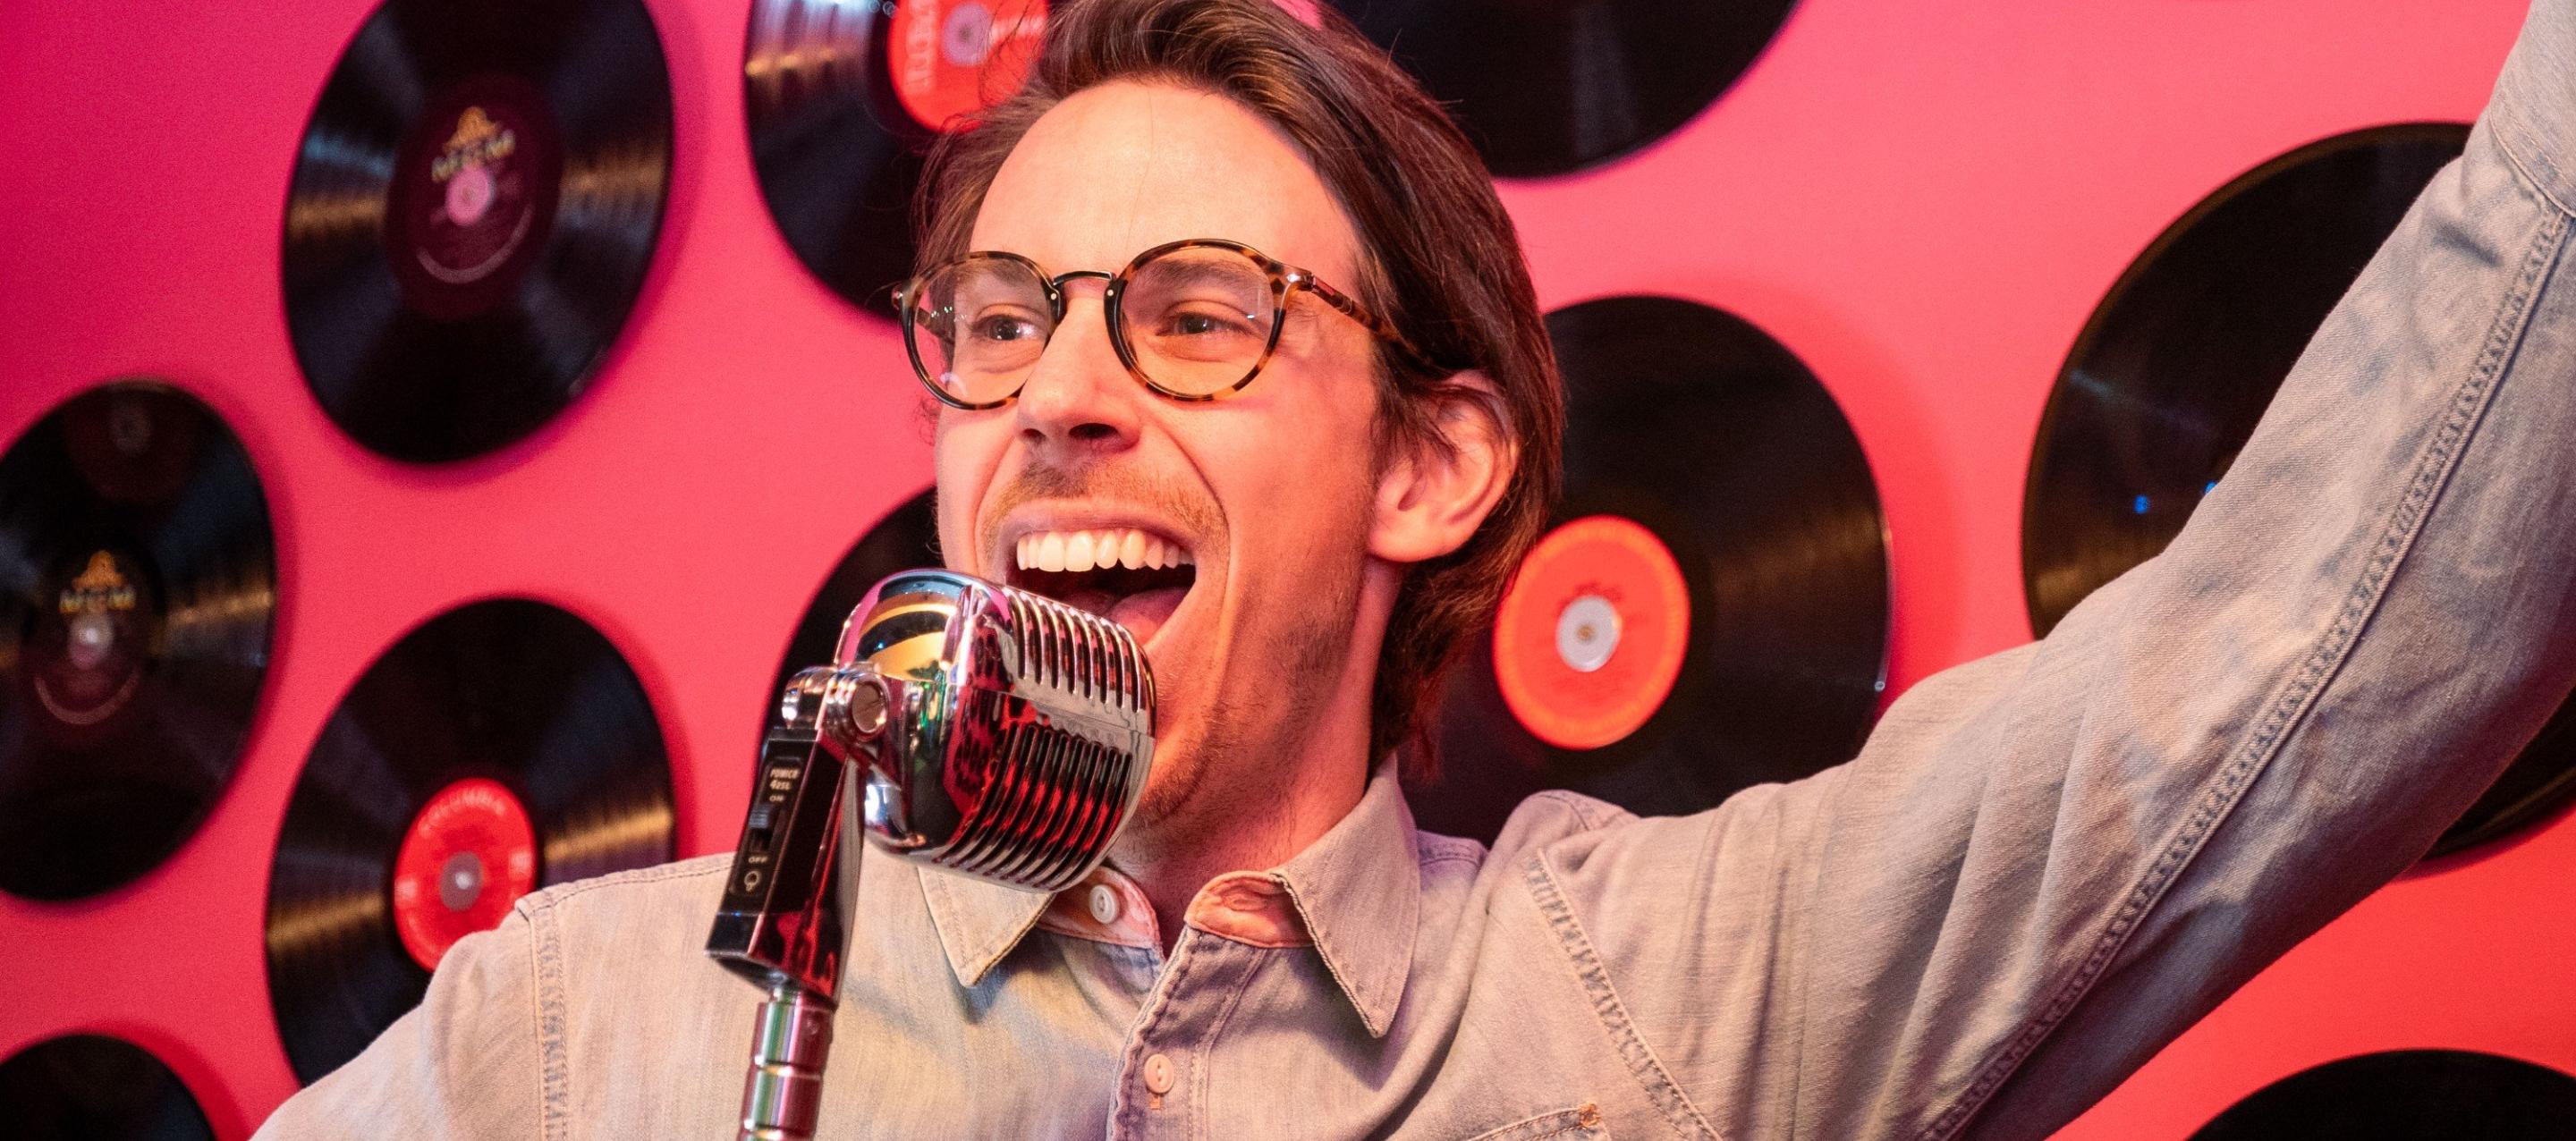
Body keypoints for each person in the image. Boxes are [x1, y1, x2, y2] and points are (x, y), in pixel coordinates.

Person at [257, 0, 2576, 1136]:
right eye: (1001, 320)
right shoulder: (578, 1031)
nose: (1060, 394)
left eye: (1195, 314)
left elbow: (2302, 628)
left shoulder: (1679, 998)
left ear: (1433, 464)